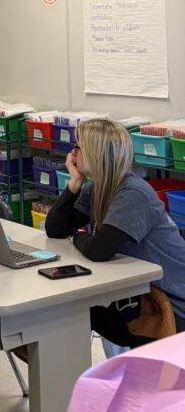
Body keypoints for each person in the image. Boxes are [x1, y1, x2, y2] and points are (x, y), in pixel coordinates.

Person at [45, 118, 185, 346]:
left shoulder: (132, 193)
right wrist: (74, 183)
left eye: (78, 148)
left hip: (170, 302)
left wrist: (76, 236)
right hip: (142, 290)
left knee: (71, 311)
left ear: (95, 154)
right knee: (68, 310)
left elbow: (99, 250)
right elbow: (56, 229)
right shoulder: (97, 187)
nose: (73, 153)